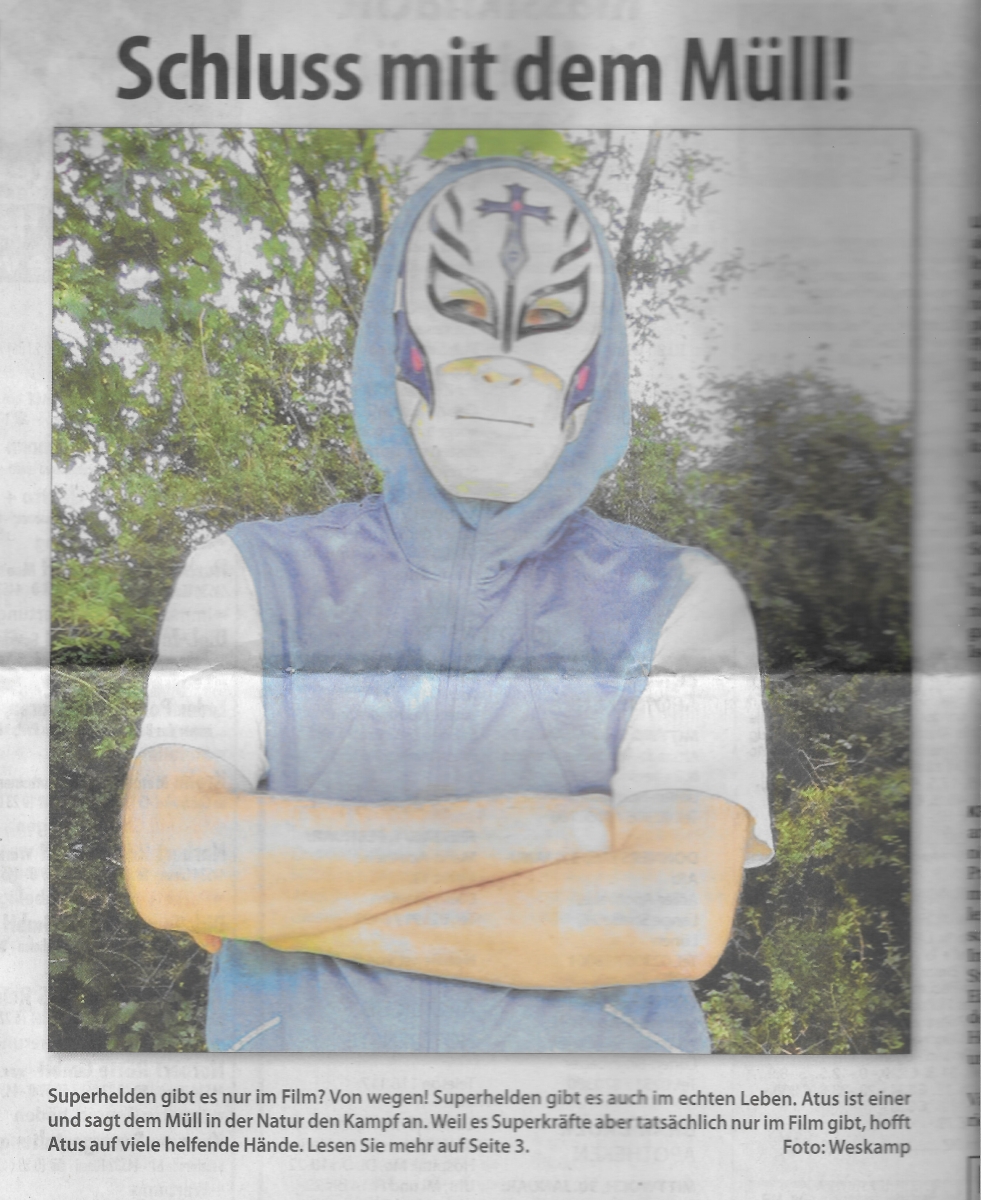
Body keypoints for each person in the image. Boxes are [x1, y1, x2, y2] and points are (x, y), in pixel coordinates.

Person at [123, 158, 772, 1054]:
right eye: (463, 307)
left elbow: (667, 918)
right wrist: (556, 828)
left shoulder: (683, 597)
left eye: (546, 318)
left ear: (598, 361)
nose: (502, 367)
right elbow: (178, 864)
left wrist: (284, 909)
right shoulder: (245, 574)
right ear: (395, 334)